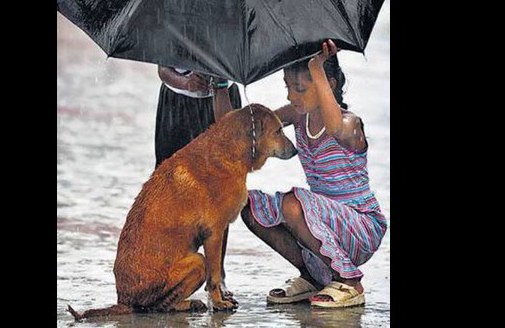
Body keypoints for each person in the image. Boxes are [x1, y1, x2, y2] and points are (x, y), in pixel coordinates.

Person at [240, 40, 387, 308]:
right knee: (247, 205)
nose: (290, 97)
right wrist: (221, 87)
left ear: (327, 85)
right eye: (288, 87)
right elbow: (250, 126)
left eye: (300, 89)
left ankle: (350, 281)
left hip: (360, 227)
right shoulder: (298, 116)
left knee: (293, 204)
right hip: (319, 227)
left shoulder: (349, 123)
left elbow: (334, 129)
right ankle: (312, 276)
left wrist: (316, 66)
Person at [154, 65, 243, 298]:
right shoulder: (173, 27)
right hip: (177, 102)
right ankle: (173, 270)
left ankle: (217, 275)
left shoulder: (230, 28)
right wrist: (185, 83)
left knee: (222, 192)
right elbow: (163, 69)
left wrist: (221, 81)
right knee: (172, 190)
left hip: (222, 98)